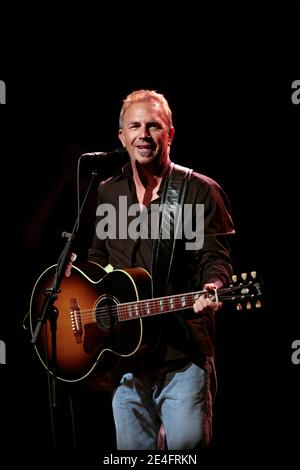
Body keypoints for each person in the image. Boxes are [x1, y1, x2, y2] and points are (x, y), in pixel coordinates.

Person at [87, 89, 235, 450]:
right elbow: (97, 258)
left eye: (153, 126)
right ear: (121, 137)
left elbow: (215, 258)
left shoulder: (198, 191)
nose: (143, 134)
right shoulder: (108, 192)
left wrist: (214, 285)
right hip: (125, 359)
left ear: (169, 134)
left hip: (181, 356)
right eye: (134, 126)